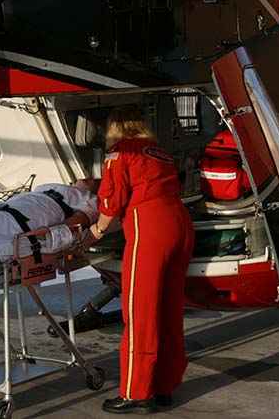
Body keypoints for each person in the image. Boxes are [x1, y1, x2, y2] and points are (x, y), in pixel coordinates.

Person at [83, 106, 194, 415]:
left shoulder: (119, 153)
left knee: (140, 312)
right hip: (180, 225)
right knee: (169, 311)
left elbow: (113, 200)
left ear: (113, 128)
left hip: (151, 228)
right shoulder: (159, 152)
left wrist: (96, 231)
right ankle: (164, 387)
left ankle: (136, 392)